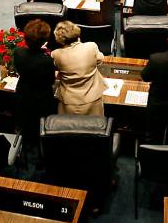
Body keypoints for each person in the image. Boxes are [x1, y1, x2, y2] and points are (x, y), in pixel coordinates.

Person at [13, 20, 56, 157]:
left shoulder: (18, 52)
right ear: (44, 41)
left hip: (23, 94)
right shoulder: (47, 61)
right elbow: (50, 81)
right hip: (41, 98)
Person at [51, 21, 106, 115]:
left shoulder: (56, 54)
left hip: (68, 102)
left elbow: (56, 69)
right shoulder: (91, 46)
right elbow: (100, 60)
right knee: (95, 128)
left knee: (69, 128)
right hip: (92, 100)